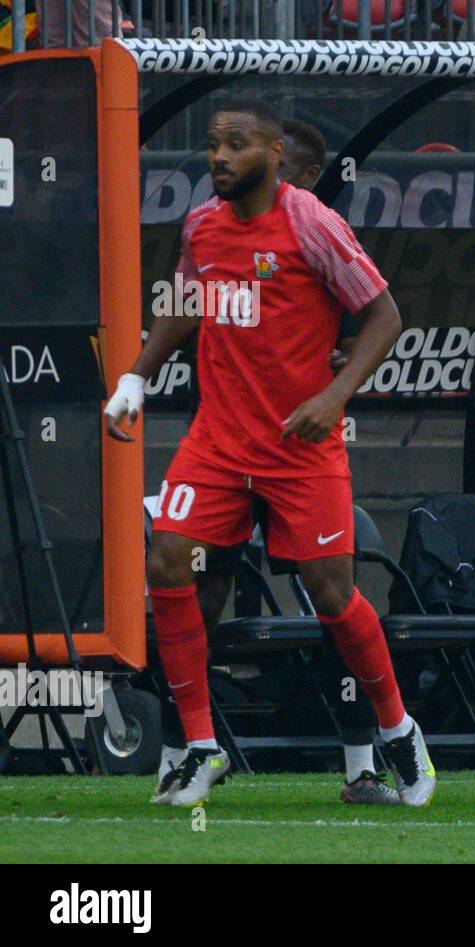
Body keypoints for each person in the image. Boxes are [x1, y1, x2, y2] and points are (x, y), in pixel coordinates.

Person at [105, 97, 436, 809]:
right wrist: (135, 376)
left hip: (298, 445)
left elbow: (384, 315)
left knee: (333, 596)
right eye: (212, 145)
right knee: (168, 558)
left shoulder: (311, 222)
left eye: (235, 144)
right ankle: (198, 746)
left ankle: (397, 728)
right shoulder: (201, 224)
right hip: (219, 440)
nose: (218, 157)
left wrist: (333, 397)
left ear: (275, 154)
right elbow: (186, 303)